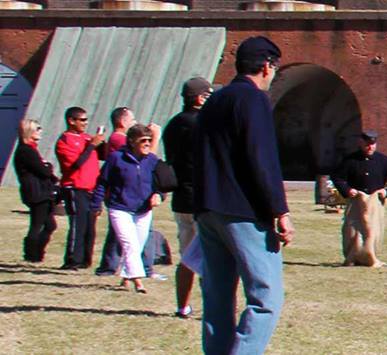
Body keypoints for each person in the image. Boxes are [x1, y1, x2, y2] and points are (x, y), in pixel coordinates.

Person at [194, 36, 294, 354]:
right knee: (266, 297)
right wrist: (280, 210)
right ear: (267, 66)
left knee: (218, 296)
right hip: (243, 210)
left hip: (208, 208)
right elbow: (261, 157)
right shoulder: (252, 100)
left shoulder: (214, 100)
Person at [90, 124, 162, 293]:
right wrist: (96, 203)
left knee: (137, 245)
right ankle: (138, 282)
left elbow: (161, 182)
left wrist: (158, 194)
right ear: (131, 141)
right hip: (120, 208)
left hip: (143, 210)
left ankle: (126, 277)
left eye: (149, 140)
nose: (147, 144)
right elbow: (103, 182)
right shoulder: (116, 158)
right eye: (143, 140)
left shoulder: (152, 160)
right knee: (129, 244)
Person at [163, 77, 213, 317]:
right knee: (208, 257)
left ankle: (182, 305)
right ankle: (213, 306)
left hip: (181, 197)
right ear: (200, 98)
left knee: (186, 258)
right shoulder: (203, 124)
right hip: (201, 198)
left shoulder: (173, 124)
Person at [332, 130, 387, 268]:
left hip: (375, 201)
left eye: (373, 144)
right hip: (356, 199)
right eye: (367, 144)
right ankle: (353, 256)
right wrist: (347, 190)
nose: (370, 147)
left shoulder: (384, 160)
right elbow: (337, 177)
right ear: (361, 143)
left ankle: (370, 256)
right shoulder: (350, 160)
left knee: (373, 229)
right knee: (353, 230)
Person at [55, 106, 104, 270]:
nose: (85, 123)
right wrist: (91, 146)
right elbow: (76, 164)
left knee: (90, 225)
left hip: (91, 187)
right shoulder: (64, 141)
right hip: (75, 187)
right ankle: (72, 259)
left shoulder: (86, 138)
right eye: (82, 120)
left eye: (86, 119)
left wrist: (100, 143)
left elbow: (101, 154)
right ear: (71, 121)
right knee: (78, 222)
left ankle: (85, 259)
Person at [14, 119, 58, 263]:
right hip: (37, 192)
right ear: (29, 131)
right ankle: (31, 254)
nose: (40, 131)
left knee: (49, 224)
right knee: (37, 225)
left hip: (41, 191)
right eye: (37, 128)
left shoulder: (30, 149)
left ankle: (36, 252)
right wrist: (48, 167)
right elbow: (43, 171)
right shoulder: (26, 151)